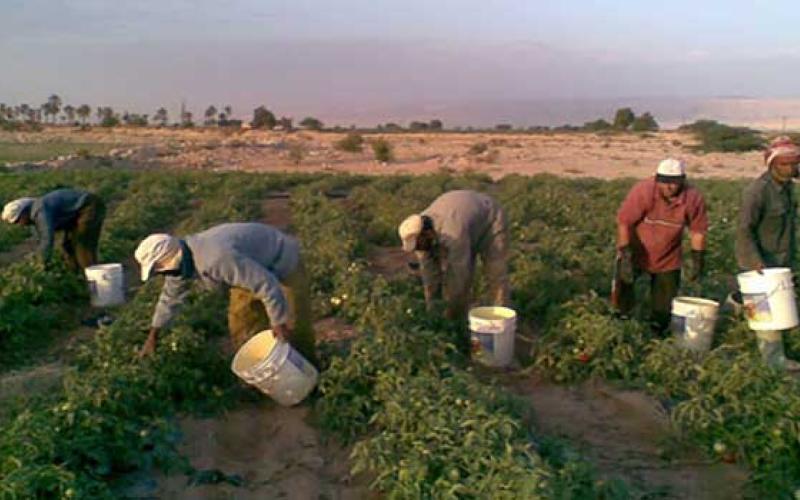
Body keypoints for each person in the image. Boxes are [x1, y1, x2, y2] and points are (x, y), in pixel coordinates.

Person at [134, 222, 317, 366]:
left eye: (158, 269)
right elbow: (169, 299)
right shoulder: (181, 265)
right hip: (247, 271)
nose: (160, 274)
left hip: (281, 263)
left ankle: (306, 372)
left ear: (169, 260)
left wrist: (278, 322)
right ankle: (259, 374)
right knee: (242, 324)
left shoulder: (216, 258)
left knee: (292, 326)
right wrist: (154, 334)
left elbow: (267, 284)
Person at [398, 190, 509, 349]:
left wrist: (450, 315)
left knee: (495, 273)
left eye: (419, 245)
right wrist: (433, 310)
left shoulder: (453, 233)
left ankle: (501, 329)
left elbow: (459, 275)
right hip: (466, 220)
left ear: (427, 234)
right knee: (457, 278)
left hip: (490, 219)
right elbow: (430, 276)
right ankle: (461, 324)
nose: (419, 249)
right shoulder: (419, 234)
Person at [614, 158, 708, 334]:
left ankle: (657, 333)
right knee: (623, 293)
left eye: (674, 183)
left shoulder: (693, 198)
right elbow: (624, 223)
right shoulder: (643, 191)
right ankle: (621, 326)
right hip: (636, 250)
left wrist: (698, 260)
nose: (669, 187)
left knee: (663, 306)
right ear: (657, 179)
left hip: (668, 256)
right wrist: (625, 255)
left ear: (682, 181)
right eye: (664, 182)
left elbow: (698, 232)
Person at [734, 135, 800, 371]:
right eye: (785, 164)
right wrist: (755, 262)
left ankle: (732, 314)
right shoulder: (757, 191)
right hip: (760, 262)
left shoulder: (787, 189)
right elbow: (744, 229)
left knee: (777, 307)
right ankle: (773, 361)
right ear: (772, 164)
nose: (791, 168)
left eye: (794, 163)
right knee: (766, 314)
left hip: (781, 260)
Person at [1, 188, 106, 271]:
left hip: (89, 206)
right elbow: (40, 241)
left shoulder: (40, 211)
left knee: (81, 244)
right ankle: (77, 275)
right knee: (68, 246)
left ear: (23, 213)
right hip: (77, 214)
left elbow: (47, 239)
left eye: (18, 221)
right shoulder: (35, 214)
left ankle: (94, 280)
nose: (20, 225)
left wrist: (42, 263)